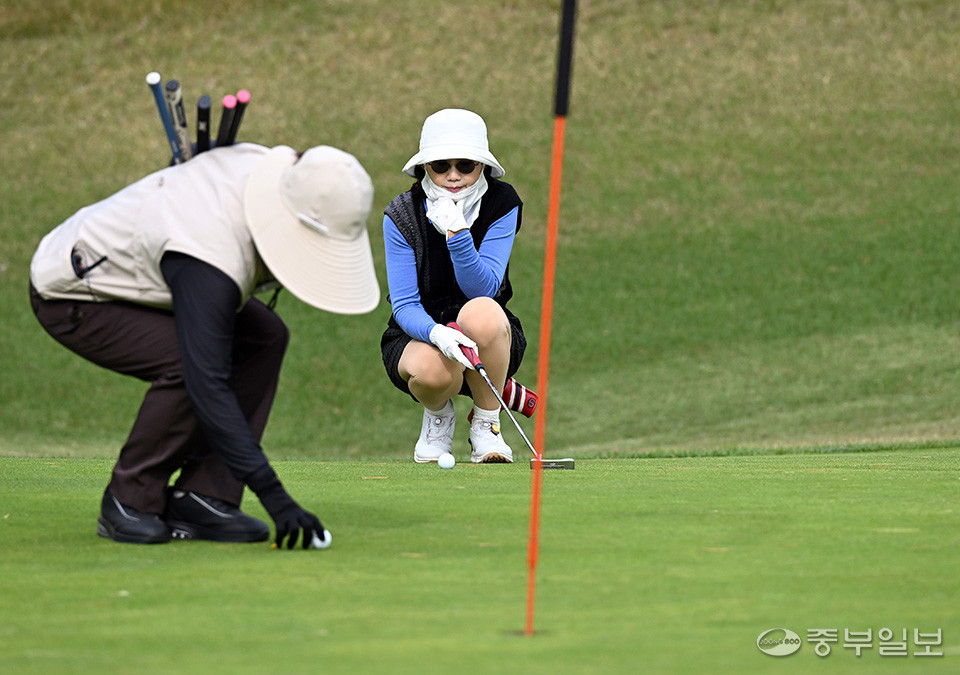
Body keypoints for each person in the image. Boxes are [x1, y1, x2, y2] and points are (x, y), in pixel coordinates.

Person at [29, 142, 380, 548]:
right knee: (185, 362)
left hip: (159, 269)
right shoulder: (208, 257)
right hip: (74, 293)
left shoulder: (277, 170)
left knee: (264, 337)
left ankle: (204, 496)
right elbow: (206, 383)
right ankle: (130, 498)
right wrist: (274, 495)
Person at [380, 109, 526, 464]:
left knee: (482, 313)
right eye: (441, 166)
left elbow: (484, 289)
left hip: (489, 339)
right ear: (425, 167)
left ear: (482, 166)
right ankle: (438, 419)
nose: (453, 176)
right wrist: (436, 334)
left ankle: (487, 425)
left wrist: (458, 235)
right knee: (430, 371)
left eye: (466, 165)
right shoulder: (400, 214)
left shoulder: (502, 204)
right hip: (420, 333)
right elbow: (404, 304)